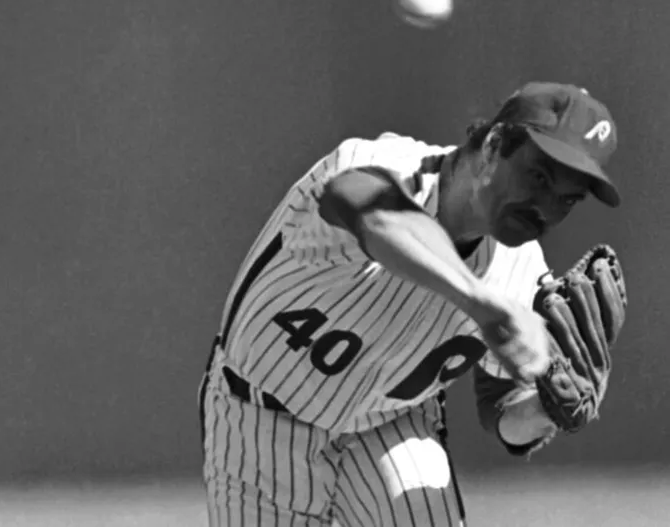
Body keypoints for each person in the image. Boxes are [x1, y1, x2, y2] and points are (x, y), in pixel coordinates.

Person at [198, 82, 620, 526]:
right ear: (495, 145)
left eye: (568, 199)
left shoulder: (521, 274)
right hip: (259, 418)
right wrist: (479, 303)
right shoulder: (383, 166)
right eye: (539, 177)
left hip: (390, 428)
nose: (547, 209)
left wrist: (548, 409)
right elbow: (374, 214)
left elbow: (500, 408)